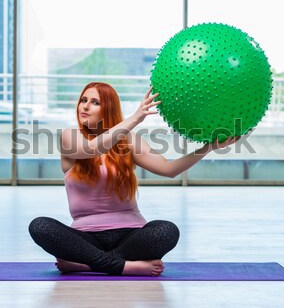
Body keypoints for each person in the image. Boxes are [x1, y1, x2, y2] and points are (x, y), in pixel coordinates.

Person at [29, 82, 239, 277]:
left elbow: (169, 169)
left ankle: (88, 264)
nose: (85, 106)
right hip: (85, 236)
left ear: (108, 109)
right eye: (83, 100)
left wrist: (208, 147)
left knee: (166, 230)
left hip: (130, 235)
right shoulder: (69, 136)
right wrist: (135, 118)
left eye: (95, 102)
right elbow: (92, 149)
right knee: (40, 226)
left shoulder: (129, 141)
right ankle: (122, 266)